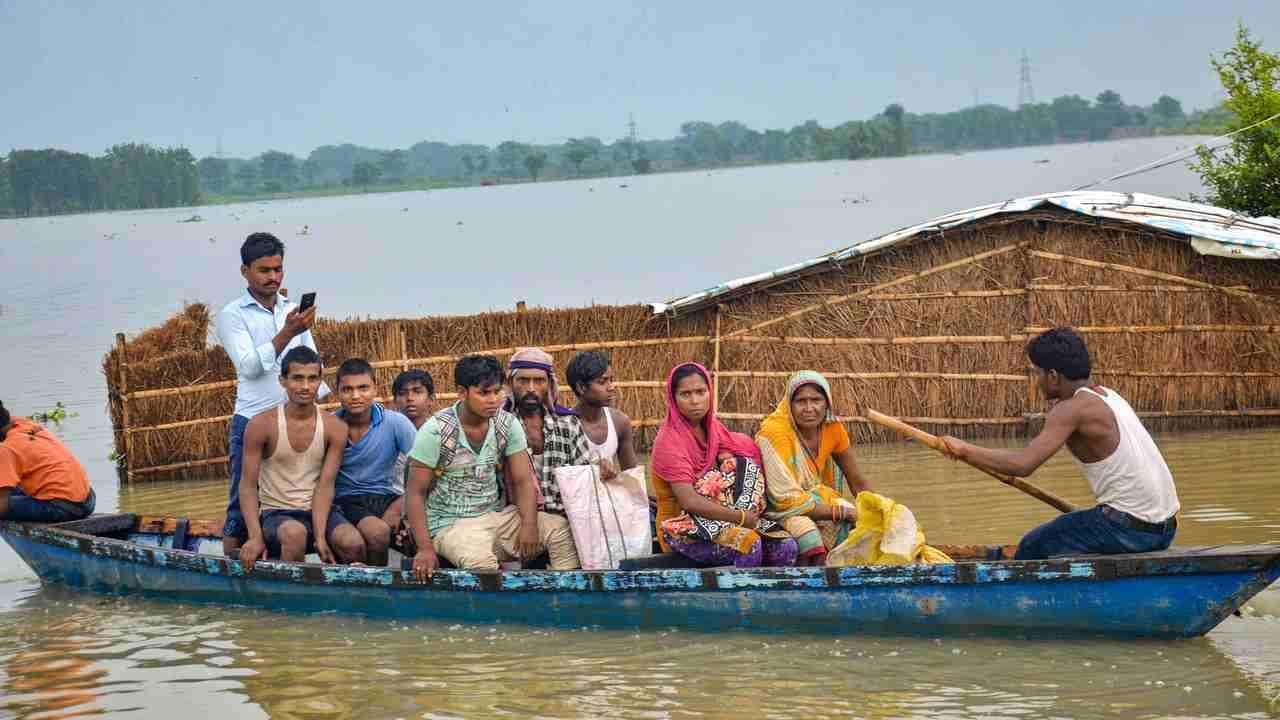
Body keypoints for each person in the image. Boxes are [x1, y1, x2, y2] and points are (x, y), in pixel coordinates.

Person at [940, 327, 1180, 560]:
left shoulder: (1070, 409)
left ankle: (1017, 594)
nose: (1037, 381)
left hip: (1129, 532)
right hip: (1164, 530)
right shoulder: (1108, 395)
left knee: (1034, 544)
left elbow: (1023, 465)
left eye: (1037, 373)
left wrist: (963, 450)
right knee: (1066, 531)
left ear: (1053, 375)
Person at [405, 355, 580, 578]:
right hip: (450, 526)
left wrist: (529, 524)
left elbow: (522, 481)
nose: (493, 399)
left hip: (494, 517)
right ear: (462, 392)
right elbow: (415, 493)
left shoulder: (507, 423)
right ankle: (500, 612)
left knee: (560, 531)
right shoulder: (436, 431)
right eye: (483, 393)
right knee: (483, 565)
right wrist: (425, 548)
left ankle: (564, 599)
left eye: (497, 391)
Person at [216, 232, 328, 557]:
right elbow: (250, 367)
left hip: (295, 421)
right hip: (252, 420)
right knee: (240, 504)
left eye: (278, 269)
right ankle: (230, 566)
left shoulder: (291, 309)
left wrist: (321, 415)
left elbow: (311, 362)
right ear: (245, 271)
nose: (273, 277)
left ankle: (289, 557)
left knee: (297, 497)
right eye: (264, 270)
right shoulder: (232, 315)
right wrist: (288, 332)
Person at [651, 362, 798, 568]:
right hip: (681, 526)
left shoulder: (712, 428)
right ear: (673, 399)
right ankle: (744, 599)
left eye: (701, 392)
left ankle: (773, 598)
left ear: (710, 392)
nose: (695, 401)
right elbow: (688, 501)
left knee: (785, 545)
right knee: (749, 543)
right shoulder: (669, 441)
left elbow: (731, 452)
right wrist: (740, 517)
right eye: (685, 394)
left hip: (722, 516)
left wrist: (726, 458)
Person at [238, 347, 363, 571]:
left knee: (352, 542)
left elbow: (325, 486)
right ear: (282, 380)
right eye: (297, 378)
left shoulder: (335, 428)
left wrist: (321, 536)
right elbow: (247, 486)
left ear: (319, 381)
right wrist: (255, 536)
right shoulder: (261, 425)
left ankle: (348, 596)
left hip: (318, 511)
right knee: (294, 534)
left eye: (312, 379)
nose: (305, 387)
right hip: (276, 514)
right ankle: (290, 601)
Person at [756, 371, 870, 566]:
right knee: (810, 537)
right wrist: (843, 512)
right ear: (789, 405)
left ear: (827, 403)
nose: (809, 408)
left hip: (815, 501)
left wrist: (879, 511)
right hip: (779, 508)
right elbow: (783, 498)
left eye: (816, 400)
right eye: (801, 401)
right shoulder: (774, 432)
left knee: (861, 527)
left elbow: (857, 483)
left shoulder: (833, 429)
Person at [332, 358, 417, 566]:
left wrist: (398, 508)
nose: (355, 396)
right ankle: (372, 589)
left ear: (375, 388)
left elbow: (423, 470)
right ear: (337, 392)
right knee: (376, 534)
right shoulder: (331, 425)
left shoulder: (396, 423)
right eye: (347, 389)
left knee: (415, 539)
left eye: (363, 388)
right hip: (346, 500)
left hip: (386, 497)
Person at [503, 347, 599, 515]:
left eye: (539, 380)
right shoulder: (499, 426)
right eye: (523, 380)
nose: (531, 388)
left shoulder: (568, 423)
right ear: (511, 383)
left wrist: (600, 467)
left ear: (549, 384)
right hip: (514, 517)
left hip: (564, 516)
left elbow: (583, 477)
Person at [0, 400, 96, 522]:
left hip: (63, 508)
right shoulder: (25, 424)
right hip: (88, 500)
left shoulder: (6, 449)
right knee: (11, 485)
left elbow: (2, 507)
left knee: (5, 497)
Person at [566, 350, 638, 472]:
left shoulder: (619, 422)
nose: (611, 387)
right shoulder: (565, 426)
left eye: (611, 380)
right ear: (581, 387)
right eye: (602, 381)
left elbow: (631, 475)